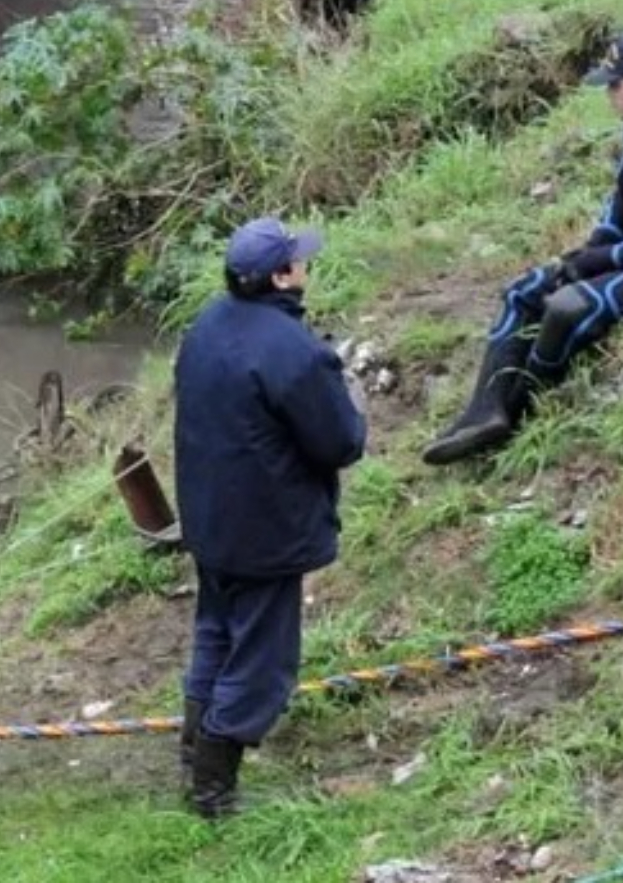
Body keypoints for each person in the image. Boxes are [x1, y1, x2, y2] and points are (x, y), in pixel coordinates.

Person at [422, 32, 623, 466]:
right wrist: (586, 253)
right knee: (527, 290)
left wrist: (599, 262)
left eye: (616, 85)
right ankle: (483, 411)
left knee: (569, 307)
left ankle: (519, 411)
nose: (609, 94)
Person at [173, 216, 367, 819]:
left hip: (208, 523)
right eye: (299, 260)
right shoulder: (294, 351)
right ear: (281, 276)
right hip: (266, 533)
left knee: (215, 634)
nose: (306, 266)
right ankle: (214, 790)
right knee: (261, 662)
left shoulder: (205, 325)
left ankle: (193, 749)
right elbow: (340, 443)